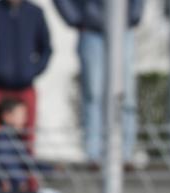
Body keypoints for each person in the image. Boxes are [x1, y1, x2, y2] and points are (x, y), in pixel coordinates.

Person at [54, 0, 143, 165]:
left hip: (123, 30)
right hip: (91, 31)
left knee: (126, 96)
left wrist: (132, 17)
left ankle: (125, 154)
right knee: (93, 95)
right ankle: (93, 154)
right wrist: (77, 19)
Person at [0, 0, 52, 149]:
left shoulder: (35, 13)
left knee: (27, 140)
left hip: (25, 86)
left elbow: (45, 48)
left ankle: (27, 172)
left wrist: (32, 71)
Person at [0, 97, 40, 193]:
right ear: (7, 116)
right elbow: (6, 160)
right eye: (20, 115)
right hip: (2, 191)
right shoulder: (1, 137)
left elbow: (26, 162)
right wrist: (20, 180)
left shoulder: (13, 138)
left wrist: (50, 168)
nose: (24, 120)